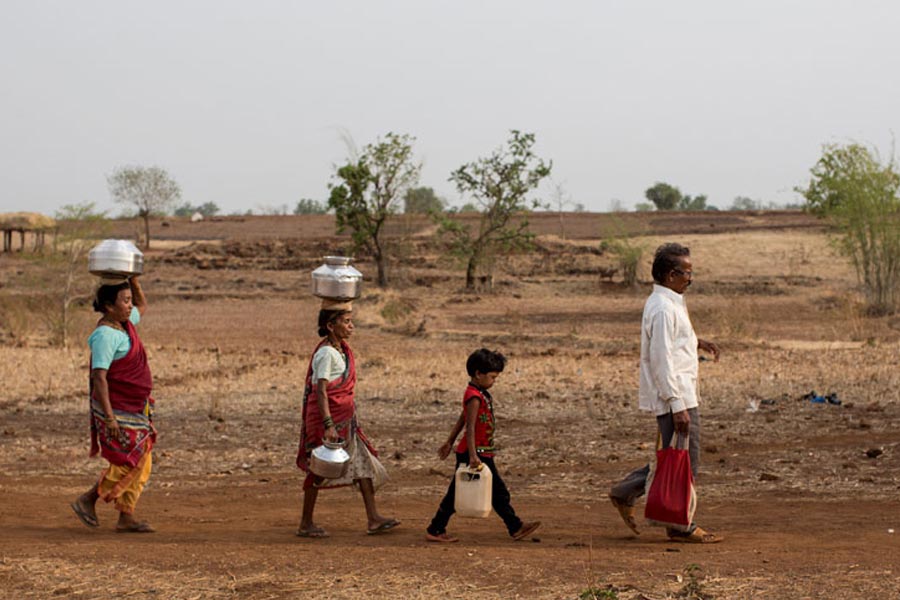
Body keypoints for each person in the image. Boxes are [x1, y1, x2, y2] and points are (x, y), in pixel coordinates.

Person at [608, 243, 723, 543]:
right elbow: (660, 359)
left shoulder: (671, 301)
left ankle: (625, 493)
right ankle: (679, 524)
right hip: (677, 396)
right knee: (685, 460)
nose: (690, 279)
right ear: (671, 275)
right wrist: (677, 404)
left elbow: (671, 343)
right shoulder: (662, 308)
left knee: (673, 457)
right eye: (687, 273)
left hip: (682, 393)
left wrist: (696, 342)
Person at [295, 302, 399, 538]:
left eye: (351, 321)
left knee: (362, 462)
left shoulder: (341, 350)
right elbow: (321, 391)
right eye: (346, 321)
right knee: (319, 469)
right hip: (328, 422)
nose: (351, 326)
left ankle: (373, 518)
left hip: (345, 420)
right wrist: (329, 425)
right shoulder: (326, 353)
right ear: (331, 326)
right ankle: (305, 523)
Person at [425, 348, 541, 543]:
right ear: (478, 373)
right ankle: (514, 526)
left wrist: (449, 441)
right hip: (475, 453)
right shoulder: (474, 396)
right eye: (493, 377)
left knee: (484, 492)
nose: (494, 381)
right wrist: (472, 455)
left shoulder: (479, 393)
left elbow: (463, 419)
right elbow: (469, 427)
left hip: (479, 452)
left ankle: (437, 527)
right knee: (493, 492)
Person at [70, 275, 156, 533]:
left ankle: (126, 515)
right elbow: (99, 377)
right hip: (116, 409)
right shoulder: (106, 335)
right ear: (109, 306)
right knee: (129, 460)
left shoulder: (125, 324)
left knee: (143, 460)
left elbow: (142, 307)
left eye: (129, 300)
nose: (130, 306)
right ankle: (89, 498)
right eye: (125, 301)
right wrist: (109, 417)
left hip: (134, 408)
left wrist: (133, 280)